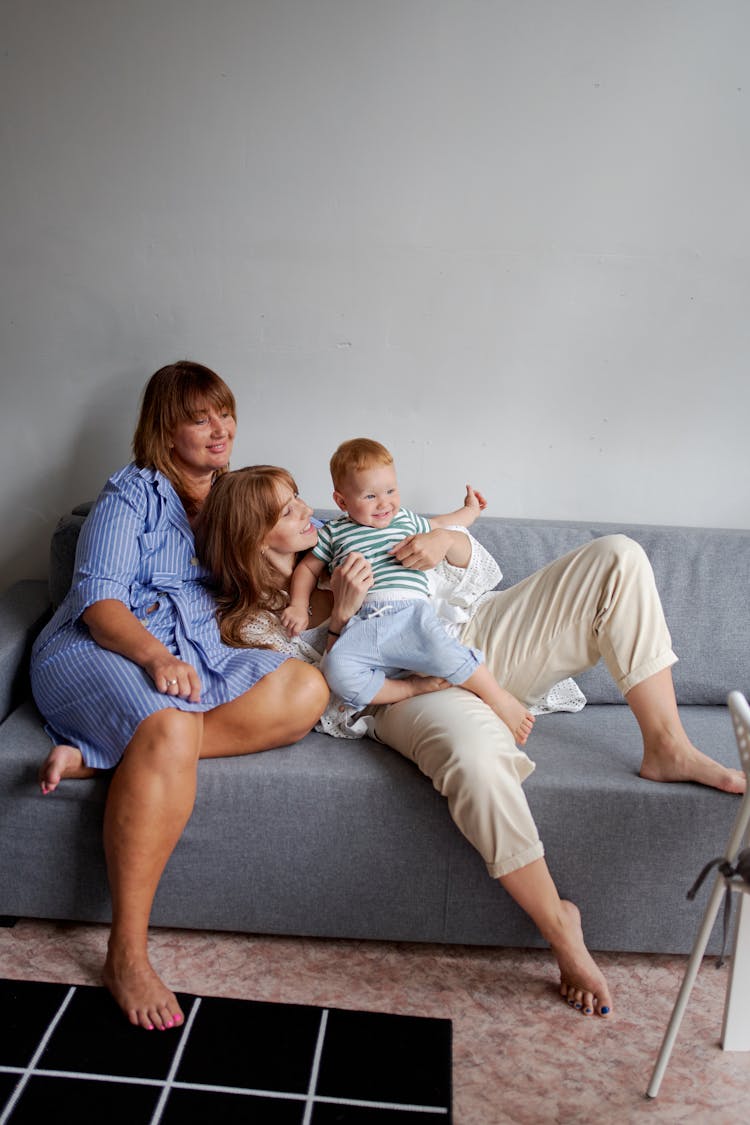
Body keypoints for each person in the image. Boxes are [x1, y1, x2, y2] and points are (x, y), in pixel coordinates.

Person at [196, 463, 747, 1020]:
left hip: (472, 635)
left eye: (298, 499)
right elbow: (332, 705)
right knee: (476, 760)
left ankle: (666, 745)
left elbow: (482, 572)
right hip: (408, 690)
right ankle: (558, 922)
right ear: (252, 536)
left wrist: (443, 543)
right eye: (286, 510)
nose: (304, 510)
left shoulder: (356, 531)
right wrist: (341, 619)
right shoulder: (256, 623)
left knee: (617, 555)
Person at [30, 362, 330, 1033]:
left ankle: (102, 759)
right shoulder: (131, 495)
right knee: (168, 728)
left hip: (195, 654)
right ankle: (126, 951)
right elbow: (98, 600)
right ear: (165, 429)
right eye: (200, 417)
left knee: (306, 690)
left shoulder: (234, 490)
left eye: (224, 413)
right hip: (104, 645)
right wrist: (155, 656)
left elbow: (282, 556)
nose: (220, 428)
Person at [282, 438, 534, 745]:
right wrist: (297, 605)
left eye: (390, 491)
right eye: (370, 495)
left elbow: (445, 524)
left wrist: (470, 511)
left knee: (448, 652)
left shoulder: (405, 520)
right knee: (336, 670)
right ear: (342, 501)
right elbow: (307, 569)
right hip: (364, 624)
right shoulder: (334, 532)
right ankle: (413, 688)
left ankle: (497, 697)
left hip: (412, 614)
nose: (384, 503)